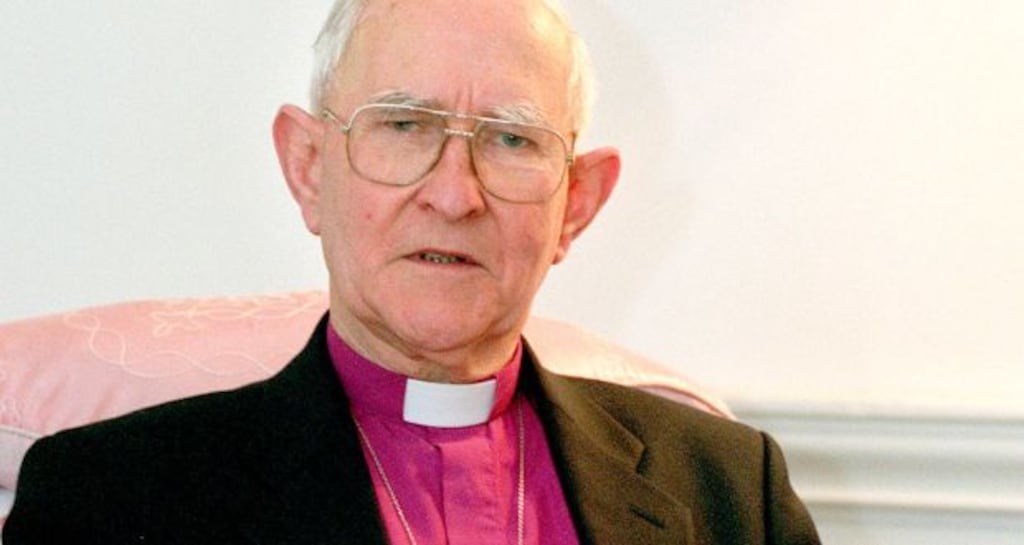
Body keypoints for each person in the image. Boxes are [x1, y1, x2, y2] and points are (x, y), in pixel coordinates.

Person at [4, 1, 821, 543]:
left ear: (575, 204)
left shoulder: (728, 492)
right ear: (307, 167)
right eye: (403, 124)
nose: (454, 193)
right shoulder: (112, 499)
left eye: (512, 139)